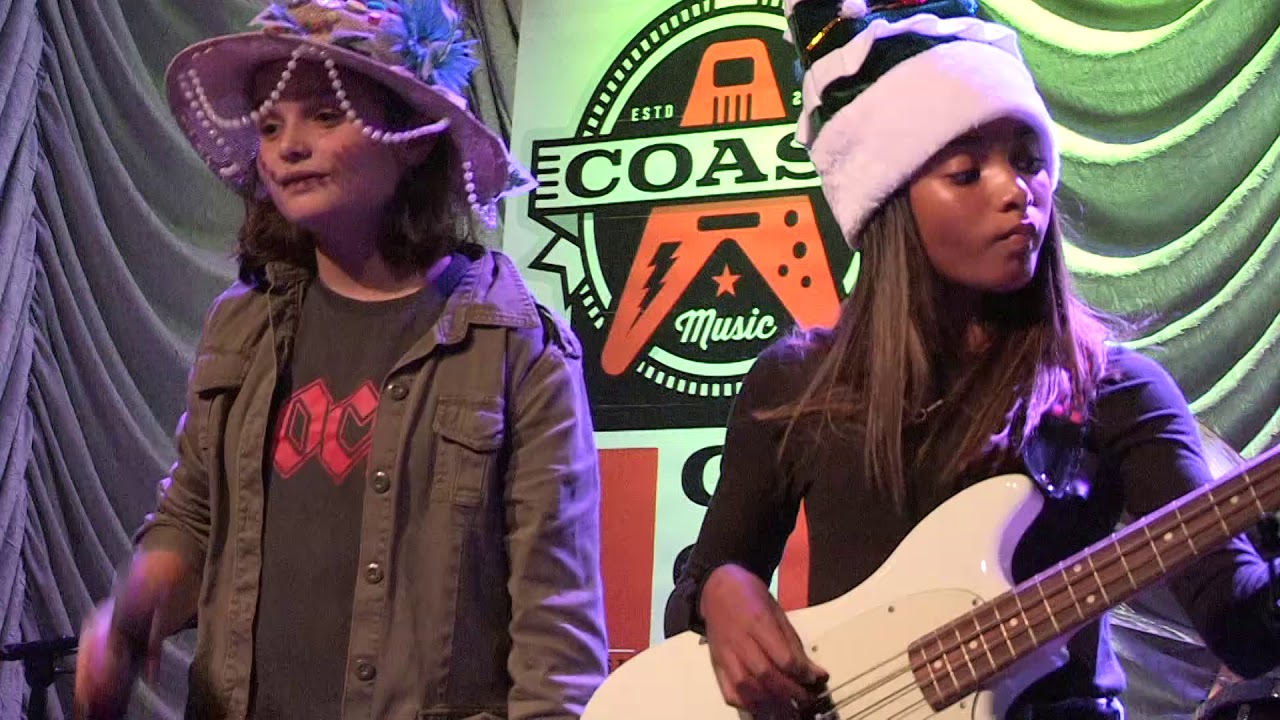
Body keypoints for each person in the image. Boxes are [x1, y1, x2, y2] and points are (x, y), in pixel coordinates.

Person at [664, 1, 1280, 718]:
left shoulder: (1115, 391)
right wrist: (720, 593)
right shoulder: (798, 382)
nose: (1016, 191)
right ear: (889, 203)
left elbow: (1243, 630)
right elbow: (698, 591)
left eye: (1029, 160)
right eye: (966, 171)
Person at [73, 2, 608, 719]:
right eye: (270, 126)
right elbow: (195, 517)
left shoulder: (516, 348)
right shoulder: (244, 325)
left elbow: (556, 643)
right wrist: (129, 610)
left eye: (325, 115)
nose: (289, 146)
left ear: (413, 140)